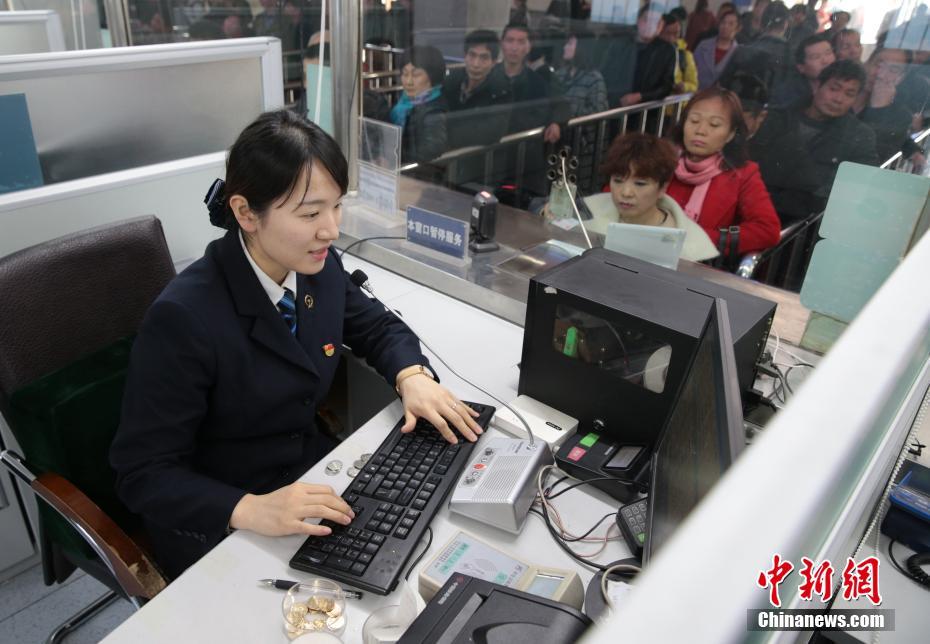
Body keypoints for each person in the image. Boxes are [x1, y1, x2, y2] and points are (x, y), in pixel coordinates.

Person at [110, 111, 484, 579]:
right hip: (222, 517)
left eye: (336, 206)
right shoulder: (184, 318)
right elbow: (142, 474)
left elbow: (376, 327)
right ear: (246, 213)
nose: (330, 229)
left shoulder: (315, 265)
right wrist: (248, 508)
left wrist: (412, 376)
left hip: (307, 476)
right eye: (310, 213)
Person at [751, 60, 879, 225]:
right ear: (817, 86)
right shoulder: (775, 118)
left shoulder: (859, 136)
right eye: (834, 89)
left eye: (849, 94)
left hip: (801, 228)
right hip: (749, 213)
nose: (839, 99)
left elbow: (851, 190)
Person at [666, 87, 781, 255]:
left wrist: (704, 239)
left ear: (730, 134)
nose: (701, 131)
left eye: (714, 125)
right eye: (694, 120)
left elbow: (767, 230)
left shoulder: (743, 174)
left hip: (699, 265)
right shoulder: (660, 158)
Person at [582, 132, 719, 263]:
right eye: (618, 180)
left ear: (663, 188)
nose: (626, 192)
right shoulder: (585, 213)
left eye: (640, 184)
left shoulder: (692, 245)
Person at [854, 48, 923, 165]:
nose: (880, 74)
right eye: (879, 64)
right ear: (867, 63)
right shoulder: (840, 92)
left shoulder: (901, 116)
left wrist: (879, 110)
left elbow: (874, 158)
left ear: (901, 78)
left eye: (893, 70)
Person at [390, 45, 448, 170]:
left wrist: (393, 158)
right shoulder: (406, 101)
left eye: (416, 75)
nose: (408, 81)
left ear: (432, 76)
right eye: (405, 74)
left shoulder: (434, 112)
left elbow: (429, 153)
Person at [720, 1, 793, 94]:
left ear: (762, 22)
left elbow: (723, 85)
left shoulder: (741, 51)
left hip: (735, 105)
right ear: (786, 24)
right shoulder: (791, 58)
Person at [620, 4, 676, 107]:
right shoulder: (622, 43)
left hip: (646, 112)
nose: (649, 25)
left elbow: (666, 87)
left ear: (661, 25)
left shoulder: (667, 50)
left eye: (655, 21)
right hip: (617, 106)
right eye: (646, 20)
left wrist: (640, 96)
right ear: (638, 20)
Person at [769, 33, 836, 109]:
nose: (825, 61)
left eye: (828, 53)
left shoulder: (843, 84)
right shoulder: (786, 95)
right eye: (816, 57)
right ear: (801, 68)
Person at [694, 9, 740, 90]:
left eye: (731, 24)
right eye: (723, 22)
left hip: (720, 98)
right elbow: (691, 68)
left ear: (738, 29)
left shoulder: (739, 52)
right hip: (697, 92)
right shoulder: (703, 45)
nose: (725, 26)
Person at [660, 12, 698, 95]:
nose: (671, 38)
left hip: (674, 105)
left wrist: (684, 86)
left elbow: (694, 85)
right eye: (667, 33)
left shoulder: (685, 55)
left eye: (676, 33)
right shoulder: (650, 52)